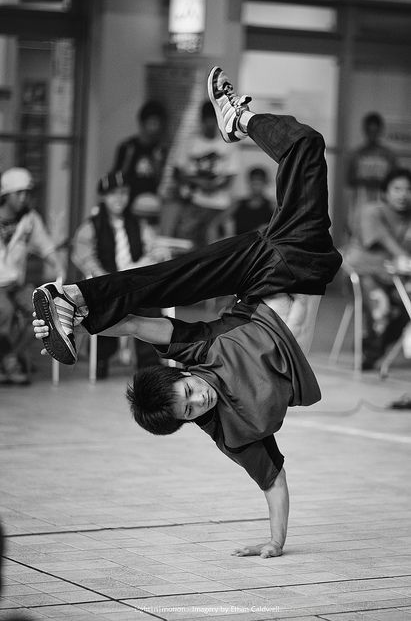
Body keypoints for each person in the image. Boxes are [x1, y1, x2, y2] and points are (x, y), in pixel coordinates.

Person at [32, 67, 342, 558]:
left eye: (188, 392)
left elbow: (134, 323)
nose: (198, 399)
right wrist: (275, 543)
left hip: (262, 278)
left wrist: (84, 324)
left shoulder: (198, 353)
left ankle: (71, 298)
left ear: (182, 376)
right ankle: (237, 121)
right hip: (305, 263)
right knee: (304, 145)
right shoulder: (237, 435)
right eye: (191, 410)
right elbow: (274, 482)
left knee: (167, 277)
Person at [71, 170, 164, 378]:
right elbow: (85, 258)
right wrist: (107, 280)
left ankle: (148, 362)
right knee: (105, 302)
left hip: (135, 282)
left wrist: (147, 261)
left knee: (149, 303)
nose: (119, 198)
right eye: (114, 193)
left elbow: (155, 249)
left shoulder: (138, 224)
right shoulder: (91, 226)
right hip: (107, 282)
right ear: (104, 196)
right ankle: (102, 357)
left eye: (123, 192)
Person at [0, 167, 65, 384]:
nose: (23, 198)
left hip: (16, 283)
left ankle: (10, 357)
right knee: (5, 312)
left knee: (41, 311)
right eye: (18, 193)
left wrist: (58, 268)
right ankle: (9, 363)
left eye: (27, 193)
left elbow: (46, 247)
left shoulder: (30, 219)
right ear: (5, 194)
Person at [343, 167, 411, 370]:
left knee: (408, 303)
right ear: (385, 192)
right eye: (397, 189)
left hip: (395, 278)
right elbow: (381, 238)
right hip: (363, 274)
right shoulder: (371, 211)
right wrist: (401, 255)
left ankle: (373, 347)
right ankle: (372, 352)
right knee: (382, 308)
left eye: (408, 189)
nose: (403, 194)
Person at [172, 100, 240, 246]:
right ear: (202, 120)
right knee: (185, 246)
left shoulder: (228, 143)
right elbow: (176, 173)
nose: (210, 124)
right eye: (207, 120)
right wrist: (198, 182)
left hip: (219, 206)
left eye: (213, 120)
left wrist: (213, 186)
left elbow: (230, 177)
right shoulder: (188, 142)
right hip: (193, 203)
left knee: (216, 249)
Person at [112, 100, 168, 222]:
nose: (156, 128)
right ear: (142, 123)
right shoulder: (128, 147)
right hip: (129, 204)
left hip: (150, 205)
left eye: (158, 124)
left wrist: (157, 163)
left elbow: (160, 180)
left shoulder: (159, 150)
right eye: (152, 123)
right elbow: (118, 177)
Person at [346, 112, 397, 232]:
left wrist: (380, 182)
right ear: (365, 131)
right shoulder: (357, 153)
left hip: (382, 200)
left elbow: (395, 179)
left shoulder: (388, 154)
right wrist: (366, 181)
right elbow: (349, 179)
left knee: (381, 230)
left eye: (376, 131)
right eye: (370, 131)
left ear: (380, 131)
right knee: (358, 231)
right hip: (360, 200)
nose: (372, 135)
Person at [211, 165, 273, 238]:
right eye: (254, 182)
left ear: (265, 183)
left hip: (261, 247)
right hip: (239, 246)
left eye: (259, 182)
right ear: (249, 182)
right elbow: (214, 224)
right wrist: (214, 243)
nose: (256, 186)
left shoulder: (272, 206)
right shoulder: (238, 204)